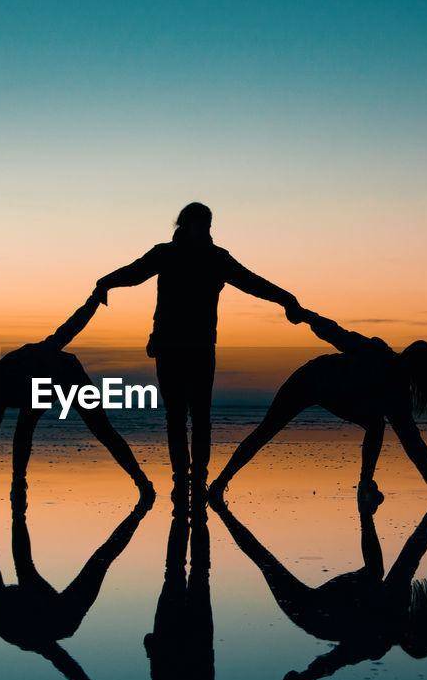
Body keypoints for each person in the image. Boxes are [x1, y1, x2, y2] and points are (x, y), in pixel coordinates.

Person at [93, 203, 302, 500]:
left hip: (201, 346)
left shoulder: (217, 258)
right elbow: (135, 272)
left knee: (200, 417)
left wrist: (286, 299)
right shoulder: (166, 253)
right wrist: (106, 282)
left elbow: (252, 282)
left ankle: (198, 480)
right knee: (176, 417)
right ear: (185, 224)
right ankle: (181, 481)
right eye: (201, 223)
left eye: (208, 223)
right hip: (169, 346)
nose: (206, 229)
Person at [88, 506, 300, 680]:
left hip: (184, 642)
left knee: (192, 572)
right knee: (180, 572)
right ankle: (190, 511)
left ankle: (192, 511)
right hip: (180, 643)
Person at [209, 310, 427, 504]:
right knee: (266, 431)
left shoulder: (398, 394)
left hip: (335, 395)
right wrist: (305, 315)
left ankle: (365, 485)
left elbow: (408, 435)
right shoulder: (377, 353)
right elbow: (338, 335)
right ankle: (219, 484)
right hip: (309, 378)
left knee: (375, 424)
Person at [212, 496, 427, 680]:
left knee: (264, 561)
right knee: (374, 572)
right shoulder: (397, 606)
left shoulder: (375, 643)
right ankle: (365, 508)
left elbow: (333, 662)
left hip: (311, 613)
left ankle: (221, 511)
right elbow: (409, 558)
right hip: (335, 600)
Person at [0, 494, 153, 680]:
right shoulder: (17, 634)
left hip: (41, 600)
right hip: (65, 616)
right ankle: (140, 511)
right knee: (101, 559)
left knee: (24, 566)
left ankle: (18, 505)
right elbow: (61, 660)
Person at [0, 294, 153, 500]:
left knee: (103, 431)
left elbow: (68, 330)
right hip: (42, 388)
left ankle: (142, 482)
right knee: (24, 430)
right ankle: (19, 483)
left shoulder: (24, 360)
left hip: (70, 376)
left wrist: (93, 302)